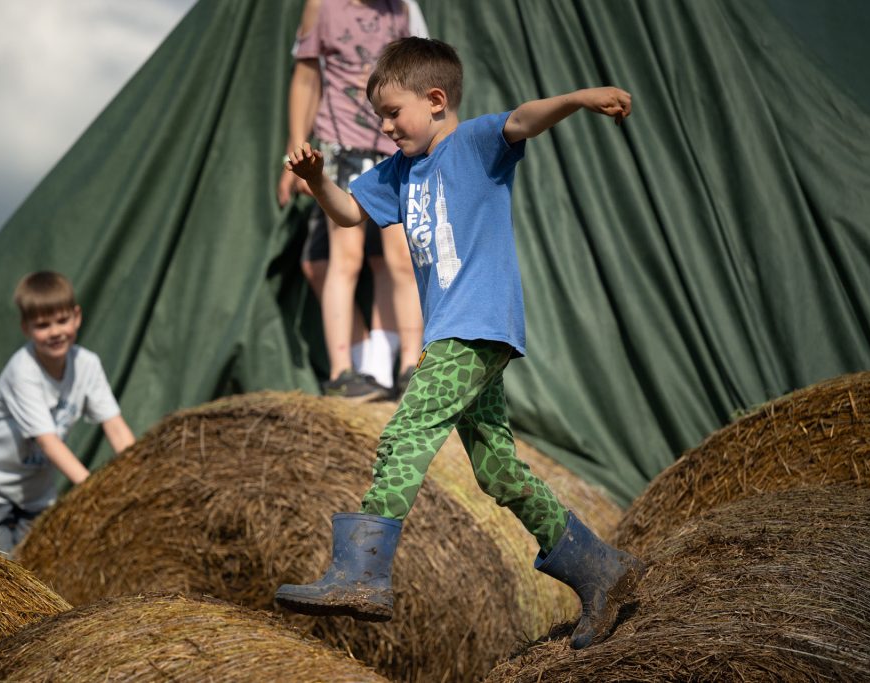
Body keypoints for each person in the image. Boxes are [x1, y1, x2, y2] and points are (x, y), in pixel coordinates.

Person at [275, 37, 644, 650]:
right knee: (498, 471)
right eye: (379, 116)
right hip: (453, 333)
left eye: (393, 113)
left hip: (476, 327)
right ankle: (602, 572)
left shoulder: (474, 143)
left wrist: (579, 98)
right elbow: (348, 214)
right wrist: (316, 179)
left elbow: (523, 120)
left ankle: (361, 573)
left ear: (436, 100)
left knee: (406, 432)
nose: (385, 126)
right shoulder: (400, 171)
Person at [277, 0, 424, 401]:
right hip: (343, 147)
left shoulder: (398, 10)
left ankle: (411, 366)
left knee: (401, 258)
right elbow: (306, 77)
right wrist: (296, 146)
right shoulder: (322, 6)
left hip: (391, 151)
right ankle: (341, 371)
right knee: (345, 258)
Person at [0, 271, 135, 555]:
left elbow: (115, 427)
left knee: (39, 570)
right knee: (1, 571)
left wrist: (139, 477)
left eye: (62, 320)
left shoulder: (87, 365)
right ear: (26, 328)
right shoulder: (23, 371)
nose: (55, 332)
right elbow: (48, 442)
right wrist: (95, 490)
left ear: (77, 317)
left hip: (37, 495)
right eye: (43, 325)